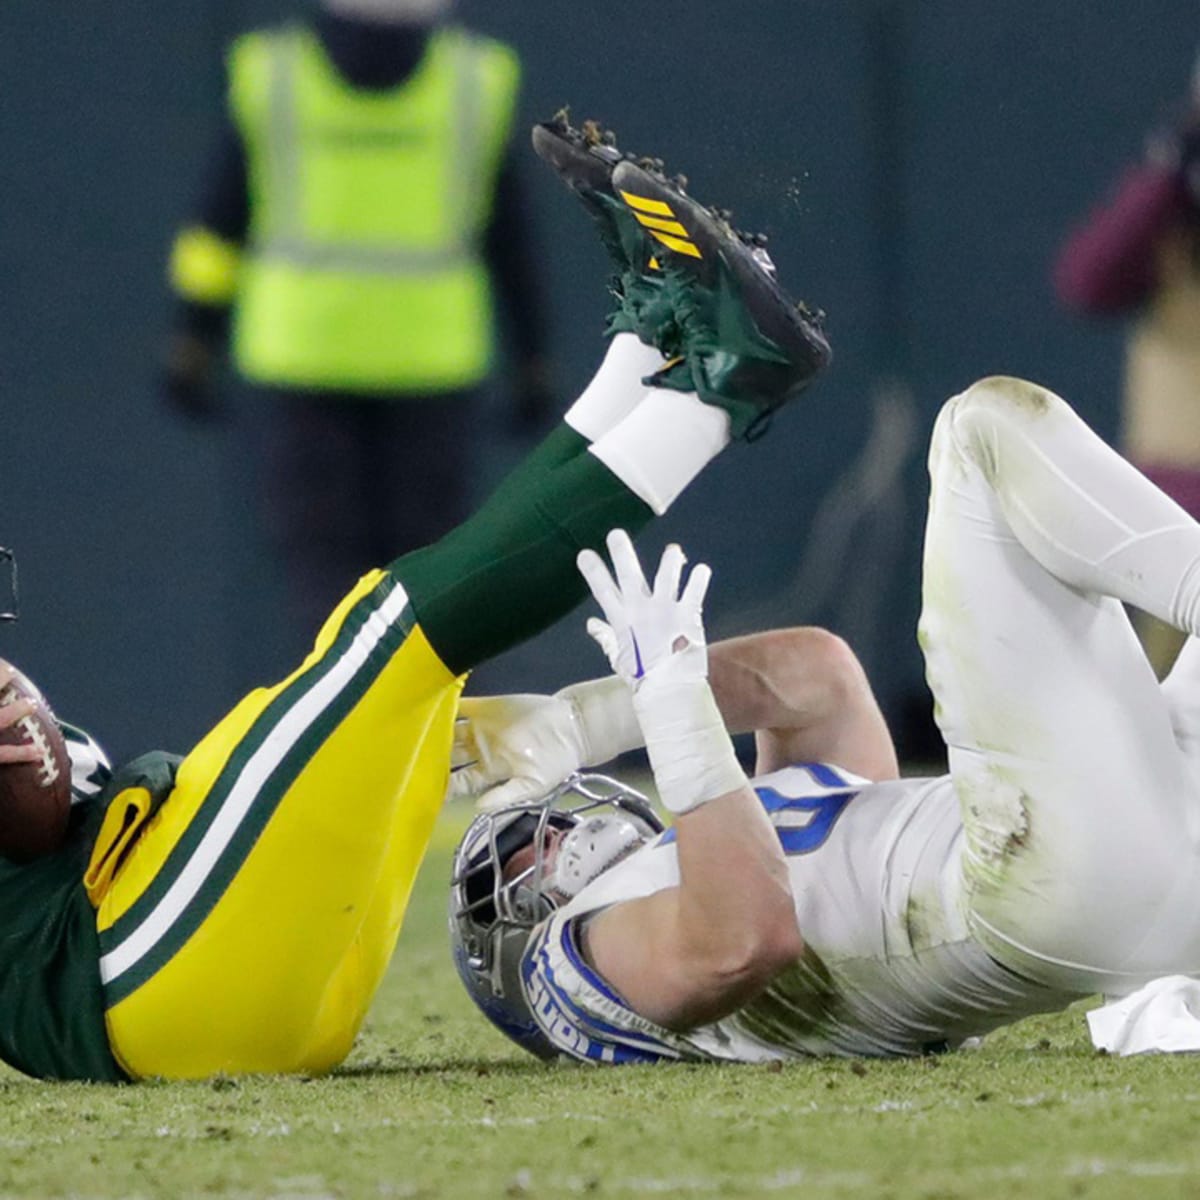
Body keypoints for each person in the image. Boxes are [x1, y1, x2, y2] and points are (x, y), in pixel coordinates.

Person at [0, 116, 830, 1082]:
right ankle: (721, 385)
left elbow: (52, 825)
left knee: (392, 641)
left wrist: (407, 755)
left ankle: (653, 353)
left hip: (197, 975)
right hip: (139, 978)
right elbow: (26, 815)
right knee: (390, 630)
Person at [450, 371, 1200, 1064]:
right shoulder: (567, 958)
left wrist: (585, 721)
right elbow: (743, 940)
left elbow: (815, 679)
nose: (551, 829)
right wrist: (673, 709)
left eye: (533, 820)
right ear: (498, 941)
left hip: (1131, 861)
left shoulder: (735, 837)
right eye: (519, 851)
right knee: (984, 431)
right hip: (1049, 881)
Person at [163, 0, 557, 653]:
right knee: (436, 571)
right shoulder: (475, 79)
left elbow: (217, 222)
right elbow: (511, 235)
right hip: (431, 356)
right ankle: (442, 738)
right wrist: (534, 356)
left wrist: (191, 337)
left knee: (321, 564)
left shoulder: (272, 74)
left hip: (301, 354)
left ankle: (330, 725)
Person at [1053, 57, 1200, 675]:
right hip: (1178, 492)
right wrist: (1166, 171)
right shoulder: (1169, 226)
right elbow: (1086, 282)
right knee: (1161, 686)